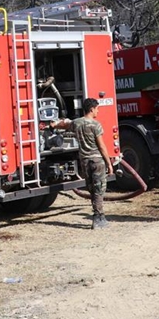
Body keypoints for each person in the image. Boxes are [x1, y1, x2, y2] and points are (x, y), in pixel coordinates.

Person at [48, 98, 115, 229]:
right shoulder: (96, 125)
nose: (98, 111)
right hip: (97, 161)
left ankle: (98, 216)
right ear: (92, 109)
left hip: (84, 161)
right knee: (99, 189)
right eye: (97, 109)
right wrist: (109, 163)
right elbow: (101, 146)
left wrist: (54, 125)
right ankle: (98, 218)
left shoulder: (77, 123)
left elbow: (64, 124)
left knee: (91, 189)